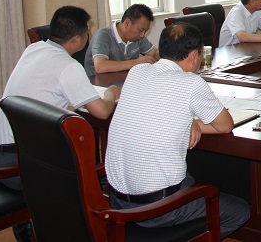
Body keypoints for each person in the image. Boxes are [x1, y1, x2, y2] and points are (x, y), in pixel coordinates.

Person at [105, 23, 249, 238]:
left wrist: (189, 121)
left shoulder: (137, 72)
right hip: (157, 209)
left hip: (117, 201)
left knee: (188, 174)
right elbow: (225, 125)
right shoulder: (190, 82)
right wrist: (192, 120)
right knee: (239, 212)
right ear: (193, 56)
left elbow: (152, 109)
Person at [0, 6, 120, 241]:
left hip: (4, 156)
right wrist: (111, 92)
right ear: (76, 40)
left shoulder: (33, 49)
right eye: (86, 33)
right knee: (99, 173)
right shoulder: (68, 66)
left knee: (91, 165)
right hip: (23, 168)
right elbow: (102, 112)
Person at [84, 3, 159, 76]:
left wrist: (164, 53)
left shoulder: (138, 37)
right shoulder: (103, 36)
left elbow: (154, 53)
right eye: (141, 30)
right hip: (98, 82)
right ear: (127, 23)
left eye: (145, 31)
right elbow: (100, 66)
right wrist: (136, 62)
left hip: (123, 80)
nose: (142, 35)